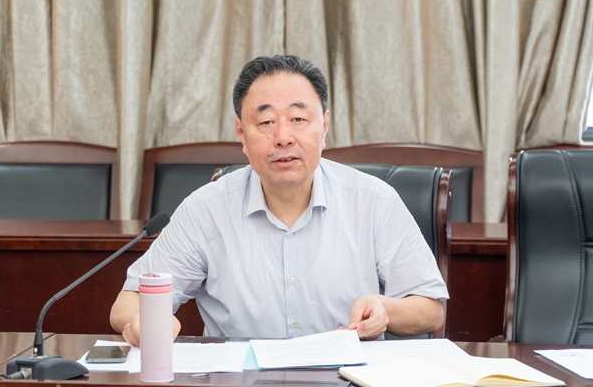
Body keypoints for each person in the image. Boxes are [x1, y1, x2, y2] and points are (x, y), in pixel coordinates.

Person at [110, 54, 448, 346]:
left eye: (299, 119)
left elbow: (431, 311)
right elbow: (128, 302)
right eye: (266, 122)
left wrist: (386, 310)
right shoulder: (205, 210)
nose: (283, 137)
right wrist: (144, 323)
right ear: (242, 134)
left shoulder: (374, 201)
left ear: (324, 126)